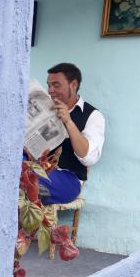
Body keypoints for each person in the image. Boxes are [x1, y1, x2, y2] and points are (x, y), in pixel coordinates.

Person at [39, 62, 105, 205]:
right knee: (11, 164)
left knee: (25, 178)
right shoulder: (45, 107)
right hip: (36, 167)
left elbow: (88, 158)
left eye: (56, 85)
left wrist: (68, 122)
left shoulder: (93, 116)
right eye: (49, 85)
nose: (50, 90)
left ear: (73, 85)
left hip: (66, 178)